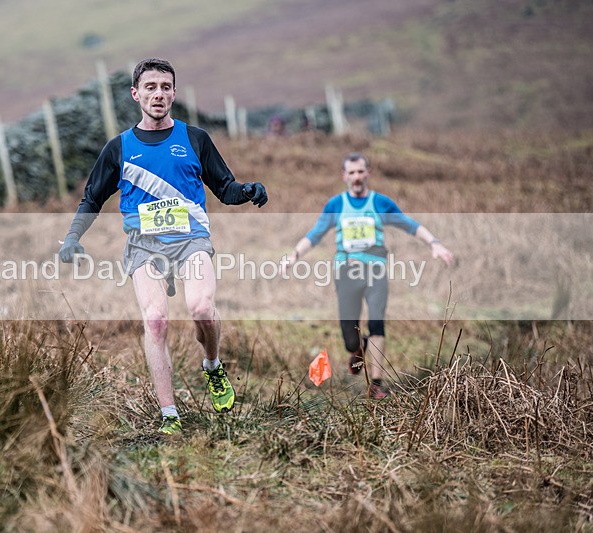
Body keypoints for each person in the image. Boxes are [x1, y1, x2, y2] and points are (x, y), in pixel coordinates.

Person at [58, 58, 268, 436]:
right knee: (155, 320)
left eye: (165, 87)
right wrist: (73, 237)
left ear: (173, 93)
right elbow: (92, 199)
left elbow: (225, 188)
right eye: (150, 87)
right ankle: (169, 414)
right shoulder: (119, 147)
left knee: (201, 308)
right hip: (144, 246)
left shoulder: (195, 139)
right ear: (136, 94)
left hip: (191, 240)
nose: (158, 94)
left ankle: (212, 365)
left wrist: (247, 190)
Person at [282, 152, 454, 399]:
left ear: (368, 173)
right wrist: (294, 255)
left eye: (361, 171)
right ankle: (359, 347)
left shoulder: (380, 203)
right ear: (344, 176)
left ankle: (376, 384)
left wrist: (435, 244)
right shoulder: (336, 205)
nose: (357, 177)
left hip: (375, 271)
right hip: (346, 272)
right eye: (351, 172)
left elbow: (409, 224)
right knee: (349, 338)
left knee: (376, 323)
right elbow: (315, 234)